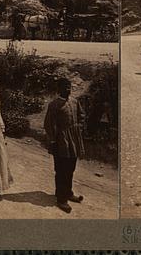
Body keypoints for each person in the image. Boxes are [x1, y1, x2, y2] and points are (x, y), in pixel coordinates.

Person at [44, 78, 86, 213]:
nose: (68, 89)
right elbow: (49, 125)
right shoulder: (54, 105)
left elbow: (81, 115)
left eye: (69, 86)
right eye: (65, 87)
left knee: (71, 168)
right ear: (59, 89)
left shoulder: (74, 102)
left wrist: (79, 126)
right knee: (61, 170)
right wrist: (54, 140)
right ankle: (61, 199)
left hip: (74, 141)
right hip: (60, 142)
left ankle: (68, 192)